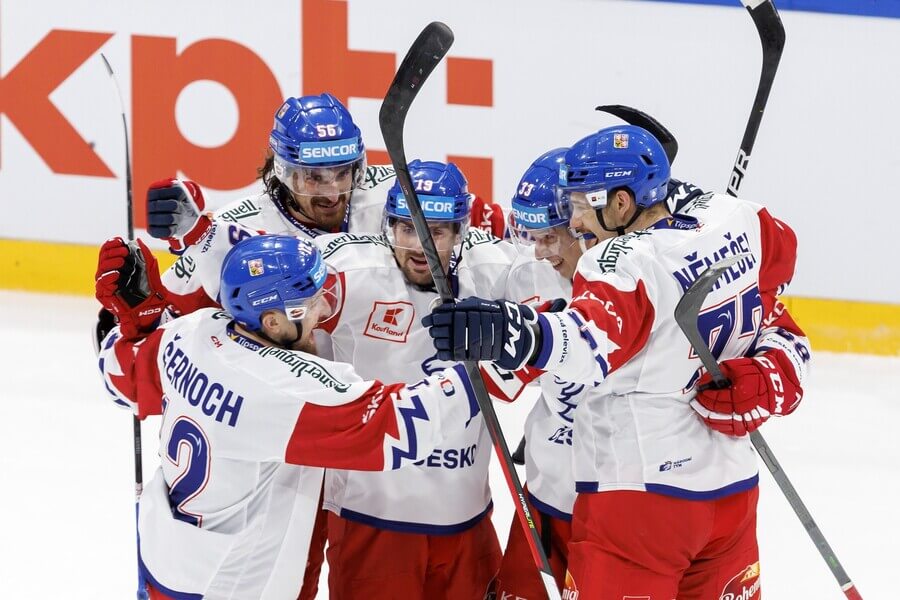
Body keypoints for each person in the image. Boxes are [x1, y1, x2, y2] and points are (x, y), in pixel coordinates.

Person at [424, 125, 811, 599]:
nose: (545, 249)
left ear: (620, 204)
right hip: (561, 499)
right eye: (533, 236)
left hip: (635, 498)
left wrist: (771, 377)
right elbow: (777, 253)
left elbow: (584, 340)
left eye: (567, 222)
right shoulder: (730, 224)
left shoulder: (618, 265)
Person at [95, 234, 485, 600]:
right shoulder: (285, 388)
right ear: (273, 322)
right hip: (229, 584)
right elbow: (401, 428)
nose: (325, 308)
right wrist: (487, 365)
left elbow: (120, 376)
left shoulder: (191, 329)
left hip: (165, 557)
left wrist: (138, 324)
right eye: (312, 302)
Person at [310, 159, 517, 599]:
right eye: (407, 229)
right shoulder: (350, 272)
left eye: (436, 232)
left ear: (461, 232)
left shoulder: (495, 270)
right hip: (372, 518)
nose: (419, 245)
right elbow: (260, 307)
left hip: (465, 516)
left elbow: (575, 301)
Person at [145, 93, 505, 314]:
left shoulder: (395, 192)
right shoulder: (240, 226)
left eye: (341, 173)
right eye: (313, 177)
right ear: (283, 171)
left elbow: (495, 225)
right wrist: (138, 301)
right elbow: (166, 312)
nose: (332, 192)